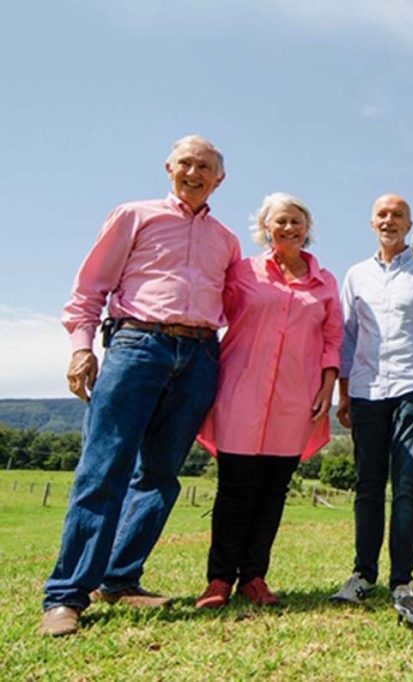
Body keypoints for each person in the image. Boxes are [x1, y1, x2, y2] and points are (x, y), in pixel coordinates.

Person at [43, 135, 240, 636]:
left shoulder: (227, 240)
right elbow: (90, 287)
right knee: (103, 467)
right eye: (186, 164)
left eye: (206, 167)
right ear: (170, 167)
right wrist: (82, 347)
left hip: (200, 354)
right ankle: (66, 597)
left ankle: (120, 578)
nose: (194, 173)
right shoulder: (134, 215)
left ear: (220, 178)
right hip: (137, 345)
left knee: (160, 476)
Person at [194, 193, 342, 608]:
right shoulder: (242, 273)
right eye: (280, 221)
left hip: (296, 400)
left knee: (274, 491)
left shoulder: (326, 281)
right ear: (265, 228)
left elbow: (333, 338)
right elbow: (210, 314)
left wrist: (328, 387)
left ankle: (255, 577)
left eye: (296, 221)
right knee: (235, 489)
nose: (289, 228)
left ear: (307, 228)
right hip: (241, 392)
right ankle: (220, 579)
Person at [330, 194, 413, 608]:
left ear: (409, 225)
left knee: (406, 483)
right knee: (368, 484)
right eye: (382, 215)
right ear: (372, 223)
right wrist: (344, 389)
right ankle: (362, 574)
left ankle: (402, 579)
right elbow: (349, 336)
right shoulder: (356, 275)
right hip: (368, 389)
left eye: (398, 216)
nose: (390, 221)